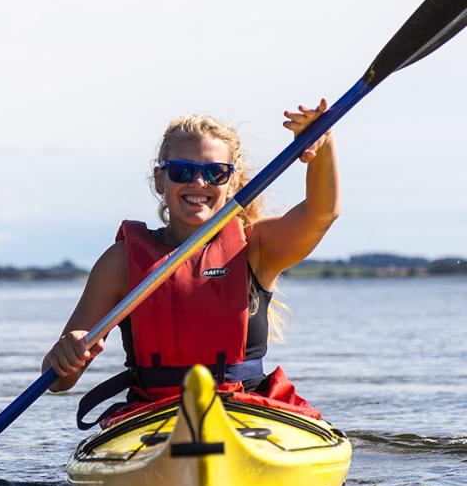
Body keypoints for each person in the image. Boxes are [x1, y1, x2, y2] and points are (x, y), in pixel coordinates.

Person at [41, 99, 338, 423]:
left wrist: (321, 149)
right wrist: (66, 352)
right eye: (183, 171)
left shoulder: (257, 248)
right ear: (159, 181)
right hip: (151, 416)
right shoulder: (120, 263)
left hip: (247, 411)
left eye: (215, 173)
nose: (198, 182)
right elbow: (58, 381)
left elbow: (322, 213)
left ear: (233, 184)